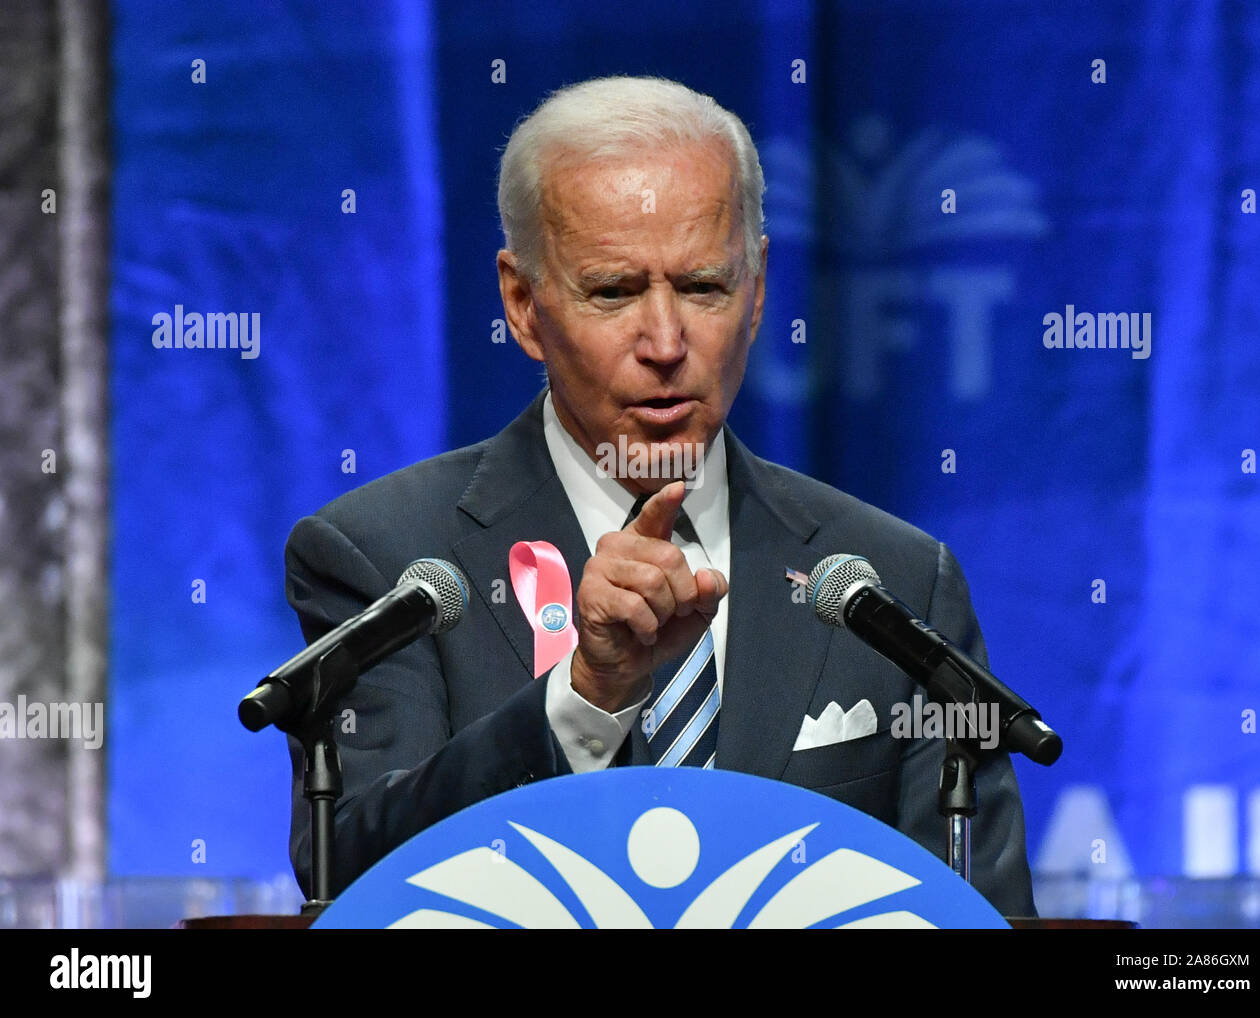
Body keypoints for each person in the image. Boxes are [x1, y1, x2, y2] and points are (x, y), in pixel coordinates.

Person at [283, 76, 1036, 917]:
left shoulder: (893, 580)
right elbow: (356, 880)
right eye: (613, 291)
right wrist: (585, 699)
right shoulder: (390, 559)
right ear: (523, 305)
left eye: (704, 286)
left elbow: (982, 909)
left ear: (756, 296)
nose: (667, 343)